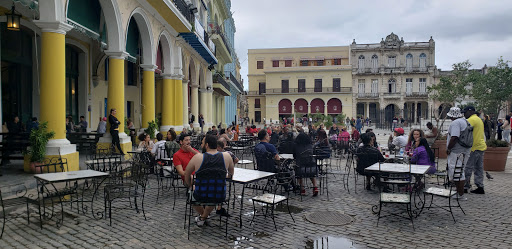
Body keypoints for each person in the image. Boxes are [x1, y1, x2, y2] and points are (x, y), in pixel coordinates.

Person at [184, 134, 234, 227]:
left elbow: (187, 174)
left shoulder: (198, 157)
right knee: (213, 193)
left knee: (191, 195)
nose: (201, 145)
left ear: (206, 145)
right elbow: (231, 175)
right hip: (220, 195)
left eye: (202, 143)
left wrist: (190, 185)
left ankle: (203, 217)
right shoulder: (227, 156)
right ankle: (203, 217)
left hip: (201, 195)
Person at [445, 107, 470, 200]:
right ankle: (460, 193)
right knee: (460, 170)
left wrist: (449, 148)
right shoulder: (465, 121)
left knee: (457, 171)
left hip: (457, 151)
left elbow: (454, 137)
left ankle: (460, 194)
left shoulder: (455, 123)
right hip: (464, 150)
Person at [462, 106, 487, 194]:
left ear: (470, 111)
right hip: (481, 146)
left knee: (468, 168)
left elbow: (463, 130)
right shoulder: (478, 119)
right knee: (479, 168)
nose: (464, 114)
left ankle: (464, 186)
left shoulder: (471, 120)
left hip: (474, 147)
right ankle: (480, 186)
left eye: (465, 112)